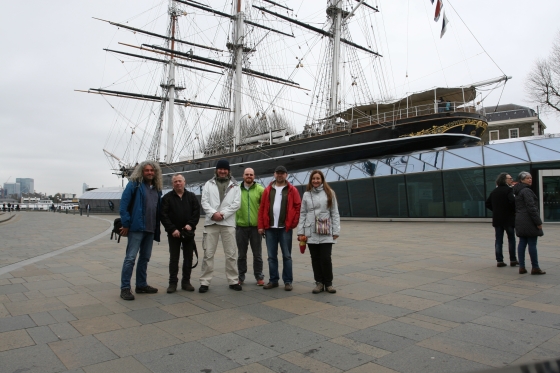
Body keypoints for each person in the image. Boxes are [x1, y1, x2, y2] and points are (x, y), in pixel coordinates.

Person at [119, 161, 163, 300]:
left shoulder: (156, 188)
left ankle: (141, 284)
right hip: (136, 227)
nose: (150, 172)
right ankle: (125, 288)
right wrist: (126, 224)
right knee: (130, 258)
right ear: (141, 172)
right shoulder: (134, 184)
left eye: (152, 170)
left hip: (150, 228)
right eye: (147, 170)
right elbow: (123, 205)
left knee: (145, 258)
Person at [199, 159, 242, 293]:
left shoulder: (235, 185)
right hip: (211, 223)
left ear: (229, 171)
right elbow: (204, 202)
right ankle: (205, 282)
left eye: (225, 169)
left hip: (227, 223)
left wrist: (222, 214)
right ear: (216, 170)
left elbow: (236, 204)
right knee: (208, 254)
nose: (222, 171)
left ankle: (233, 280)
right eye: (220, 169)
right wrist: (214, 214)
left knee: (231, 254)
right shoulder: (208, 184)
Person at [258, 165, 301, 291]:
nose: (280, 175)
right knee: (272, 256)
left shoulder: (292, 190)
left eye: (282, 173)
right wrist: (261, 226)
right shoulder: (267, 190)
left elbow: (298, 207)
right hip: (270, 228)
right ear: (274, 174)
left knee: (287, 256)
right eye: (278, 173)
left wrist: (293, 223)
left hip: (285, 228)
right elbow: (262, 209)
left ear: (286, 175)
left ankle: (288, 281)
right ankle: (273, 280)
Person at [297, 170, 340, 294]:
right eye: (313, 179)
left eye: (318, 178)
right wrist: (300, 232)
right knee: (315, 258)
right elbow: (303, 214)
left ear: (322, 180)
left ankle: (329, 283)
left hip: (325, 228)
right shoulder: (306, 194)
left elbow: (335, 213)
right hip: (310, 230)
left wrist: (336, 230)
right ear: (311, 180)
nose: (315, 181)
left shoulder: (329, 193)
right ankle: (319, 283)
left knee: (326, 258)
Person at [161, 174, 201, 293]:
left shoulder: (191, 197)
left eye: (180, 181)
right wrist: (172, 229)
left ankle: (186, 282)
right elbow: (163, 215)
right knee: (174, 258)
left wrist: (191, 225)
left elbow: (196, 212)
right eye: (175, 182)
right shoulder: (167, 198)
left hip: (188, 232)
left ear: (184, 182)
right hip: (174, 233)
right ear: (172, 184)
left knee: (188, 257)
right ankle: (172, 283)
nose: (178, 183)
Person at [236, 168, 265, 286]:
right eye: (247, 174)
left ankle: (259, 276)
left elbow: (264, 209)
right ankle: (241, 277)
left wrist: (262, 225)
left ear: (254, 176)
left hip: (256, 227)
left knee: (257, 254)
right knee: (241, 254)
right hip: (240, 226)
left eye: (251, 174)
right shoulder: (236, 189)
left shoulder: (260, 190)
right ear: (243, 176)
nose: (249, 176)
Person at [513, 171, 545, 275]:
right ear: (521, 180)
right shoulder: (526, 191)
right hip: (528, 219)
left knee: (522, 242)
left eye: (530, 178)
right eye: (527, 178)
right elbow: (531, 208)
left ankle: (522, 267)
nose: (530, 179)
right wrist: (538, 222)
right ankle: (535, 267)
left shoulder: (517, 191)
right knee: (532, 243)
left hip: (520, 218)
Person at [485, 172, 518, 267]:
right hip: (508, 219)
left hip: (497, 219)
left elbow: (487, 203)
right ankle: (513, 260)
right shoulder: (508, 190)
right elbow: (512, 201)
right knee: (511, 239)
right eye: (509, 178)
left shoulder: (494, 191)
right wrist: (514, 211)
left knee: (499, 240)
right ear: (504, 180)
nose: (511, 180)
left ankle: (499, 260)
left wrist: (495, 210)